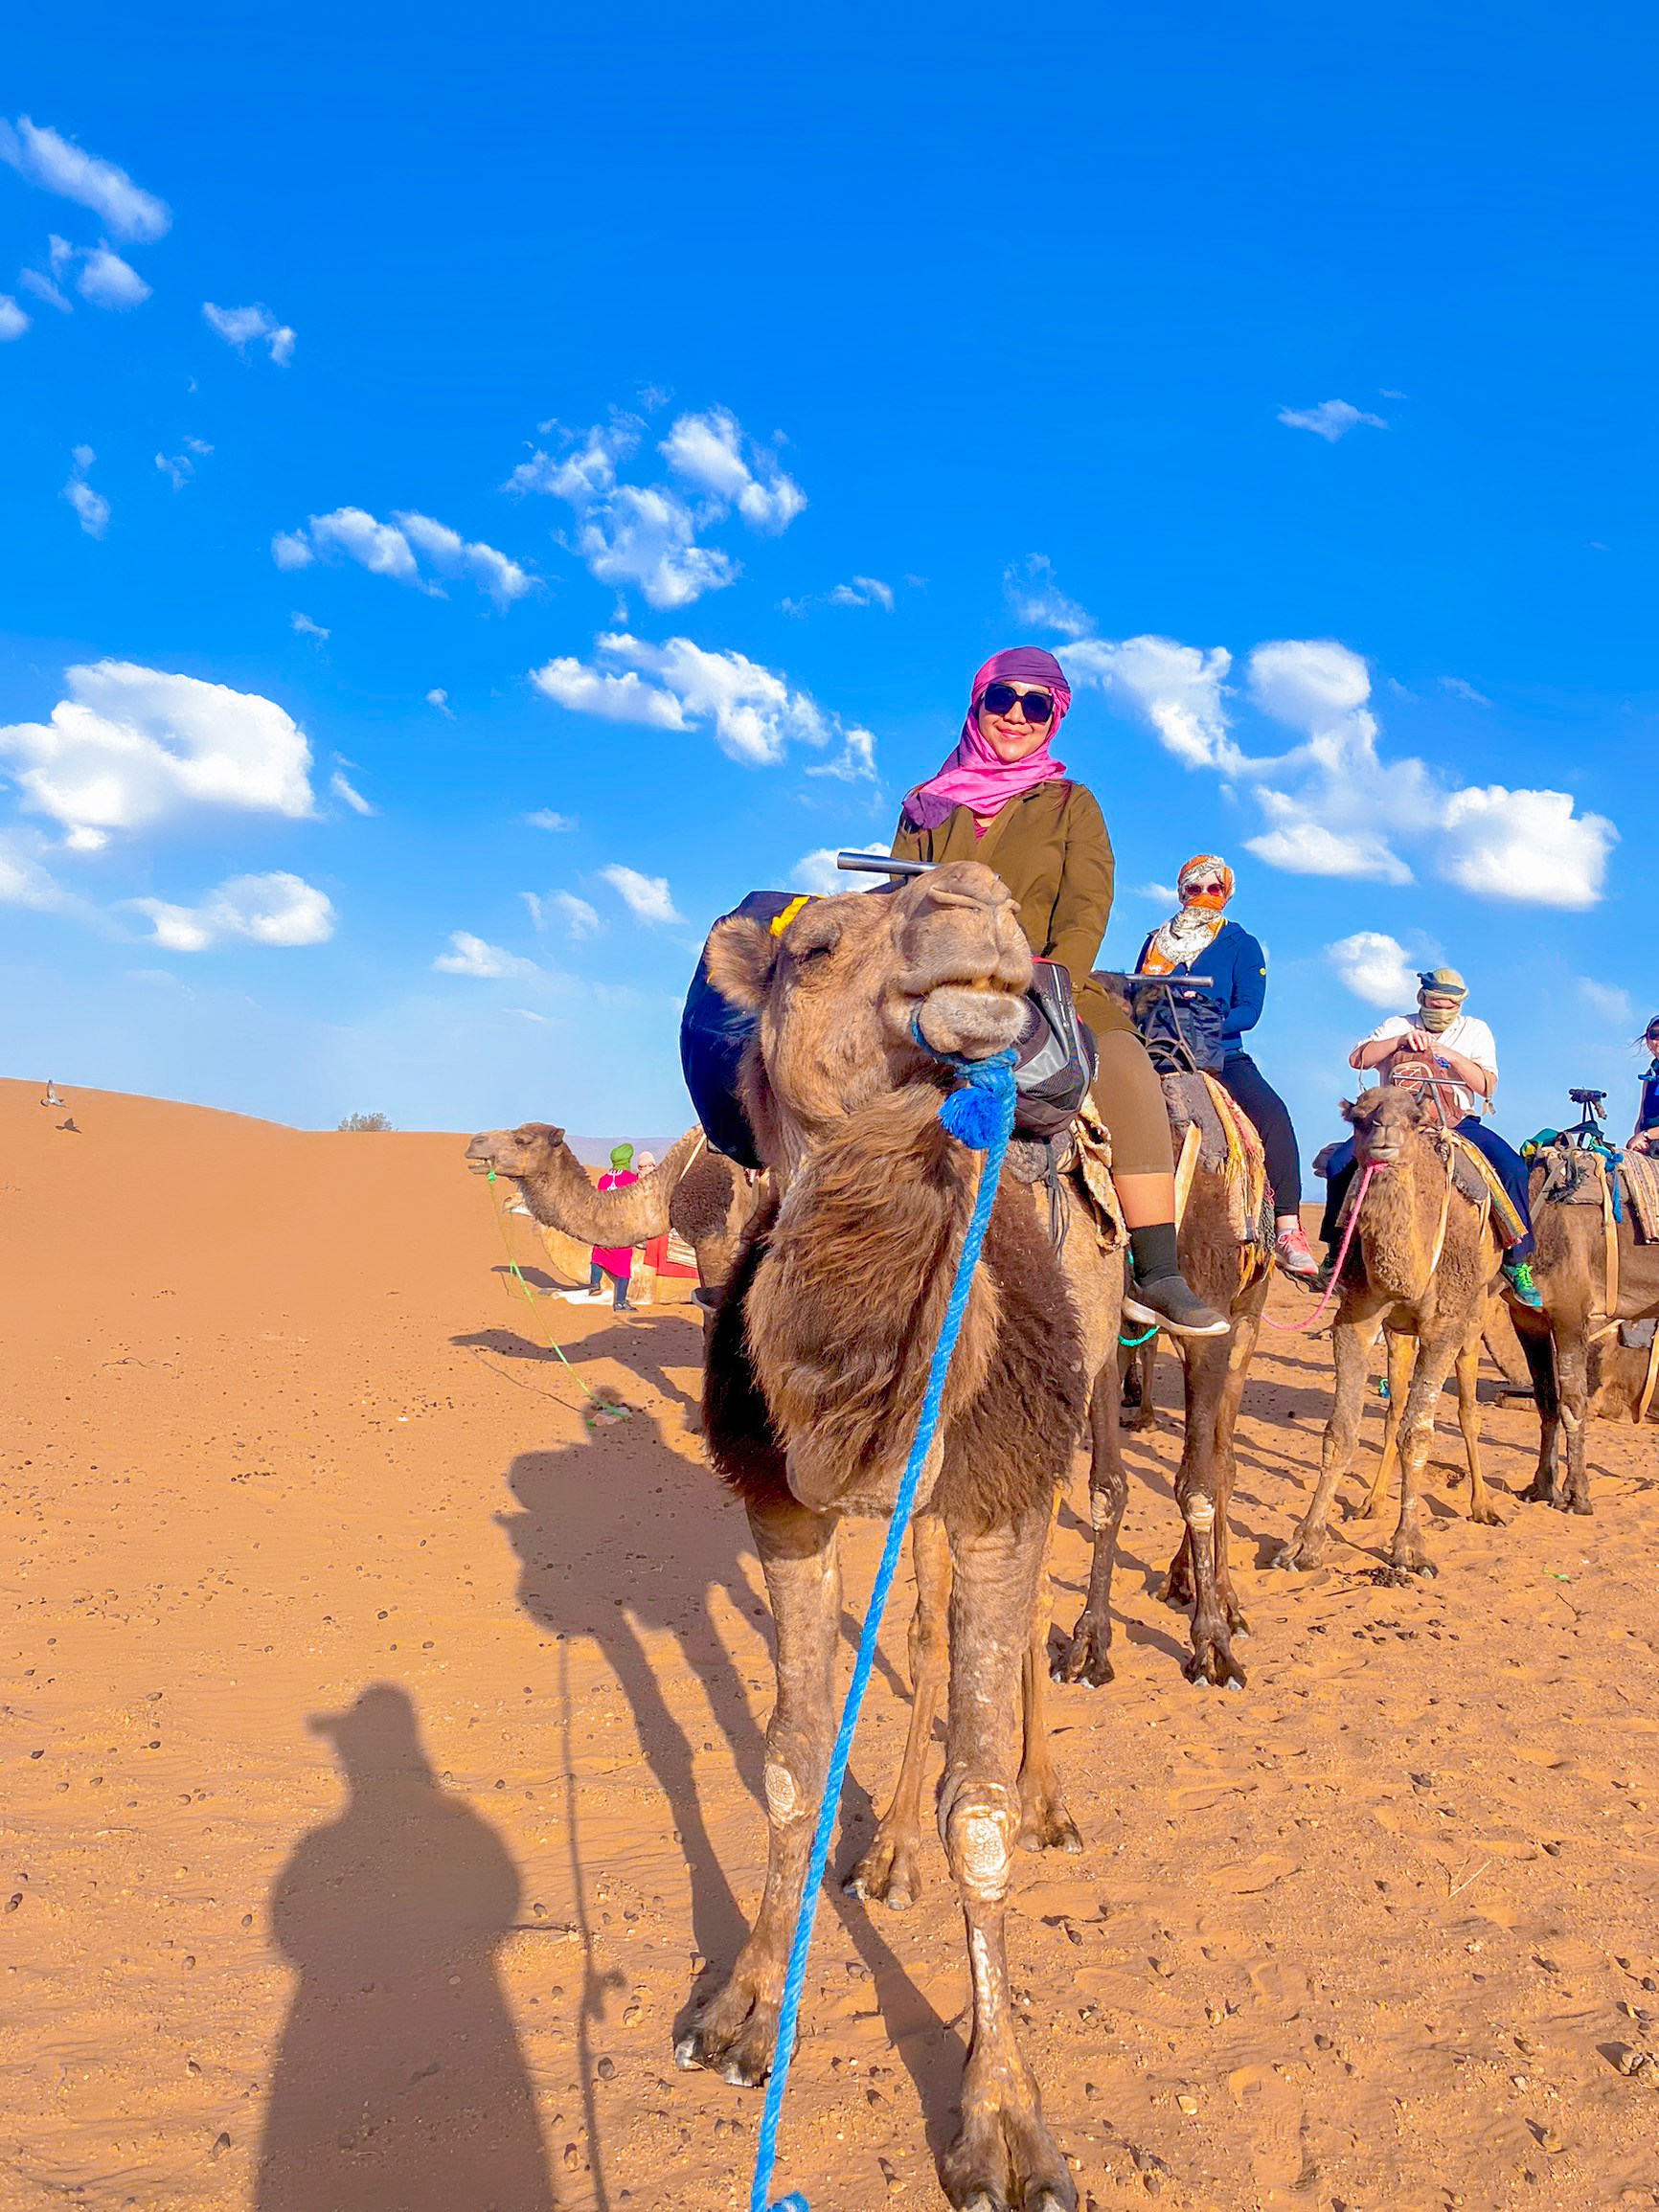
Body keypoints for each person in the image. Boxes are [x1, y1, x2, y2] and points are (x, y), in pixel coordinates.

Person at [892, 646, 1227, 1336]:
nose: (1017, 716)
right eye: (1002, 700)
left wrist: (1050, 978)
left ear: (1054, 718)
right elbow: (898, 901)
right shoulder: (925, 807)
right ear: (978, 704)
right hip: (935, 988)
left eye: (1036, 705)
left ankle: (1157, 1269)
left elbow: (1086, 906)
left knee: (1128, 1070)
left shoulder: (1074, 806)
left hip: (1048, 981)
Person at [1135, 854, 1317, 1278]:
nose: (1202, 897)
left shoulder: (1241, 944)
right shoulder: (1155, 943)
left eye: (1212, 889)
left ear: (1226, 894)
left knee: (1274, 1116)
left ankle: (1288, 1229)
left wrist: (1205, 1016)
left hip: (1222, 1054)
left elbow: (1248, 1011)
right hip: (1158, 1051)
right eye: (1193, 889)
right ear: (1181, 893)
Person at [1318, 967, 1542, 1307]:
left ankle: (1516, 1261)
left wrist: (1448, 1055)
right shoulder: (1399, 1024)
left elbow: (1486, 1086)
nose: (1439, 1011)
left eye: (1447, 1005)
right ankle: (1337, 1253)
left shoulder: (1475, 1031)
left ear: (1459, 1004)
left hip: (1456, 1120)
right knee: (1339, 1164)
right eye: (1433, 1004)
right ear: (1421, 999)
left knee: (1512, 1168)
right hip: (1398, 1122)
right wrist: (1399, 1042)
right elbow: (1357, 1060)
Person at [587, 1143, 639, 1313]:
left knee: (598, 1252)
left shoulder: (603, 1179)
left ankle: (594, 1284)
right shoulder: (631, 1180)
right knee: (624, 1262)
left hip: (603, 1227)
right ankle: (620, 1302)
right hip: (621, 1229)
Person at [1628, 1017, 1659, 1153]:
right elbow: (1642, 1117)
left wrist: (1646, 1135)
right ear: (1647, 1040)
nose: (1658, 1040)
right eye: (1654, 1035)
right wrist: (1638, 1140)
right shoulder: (1650, 1076)